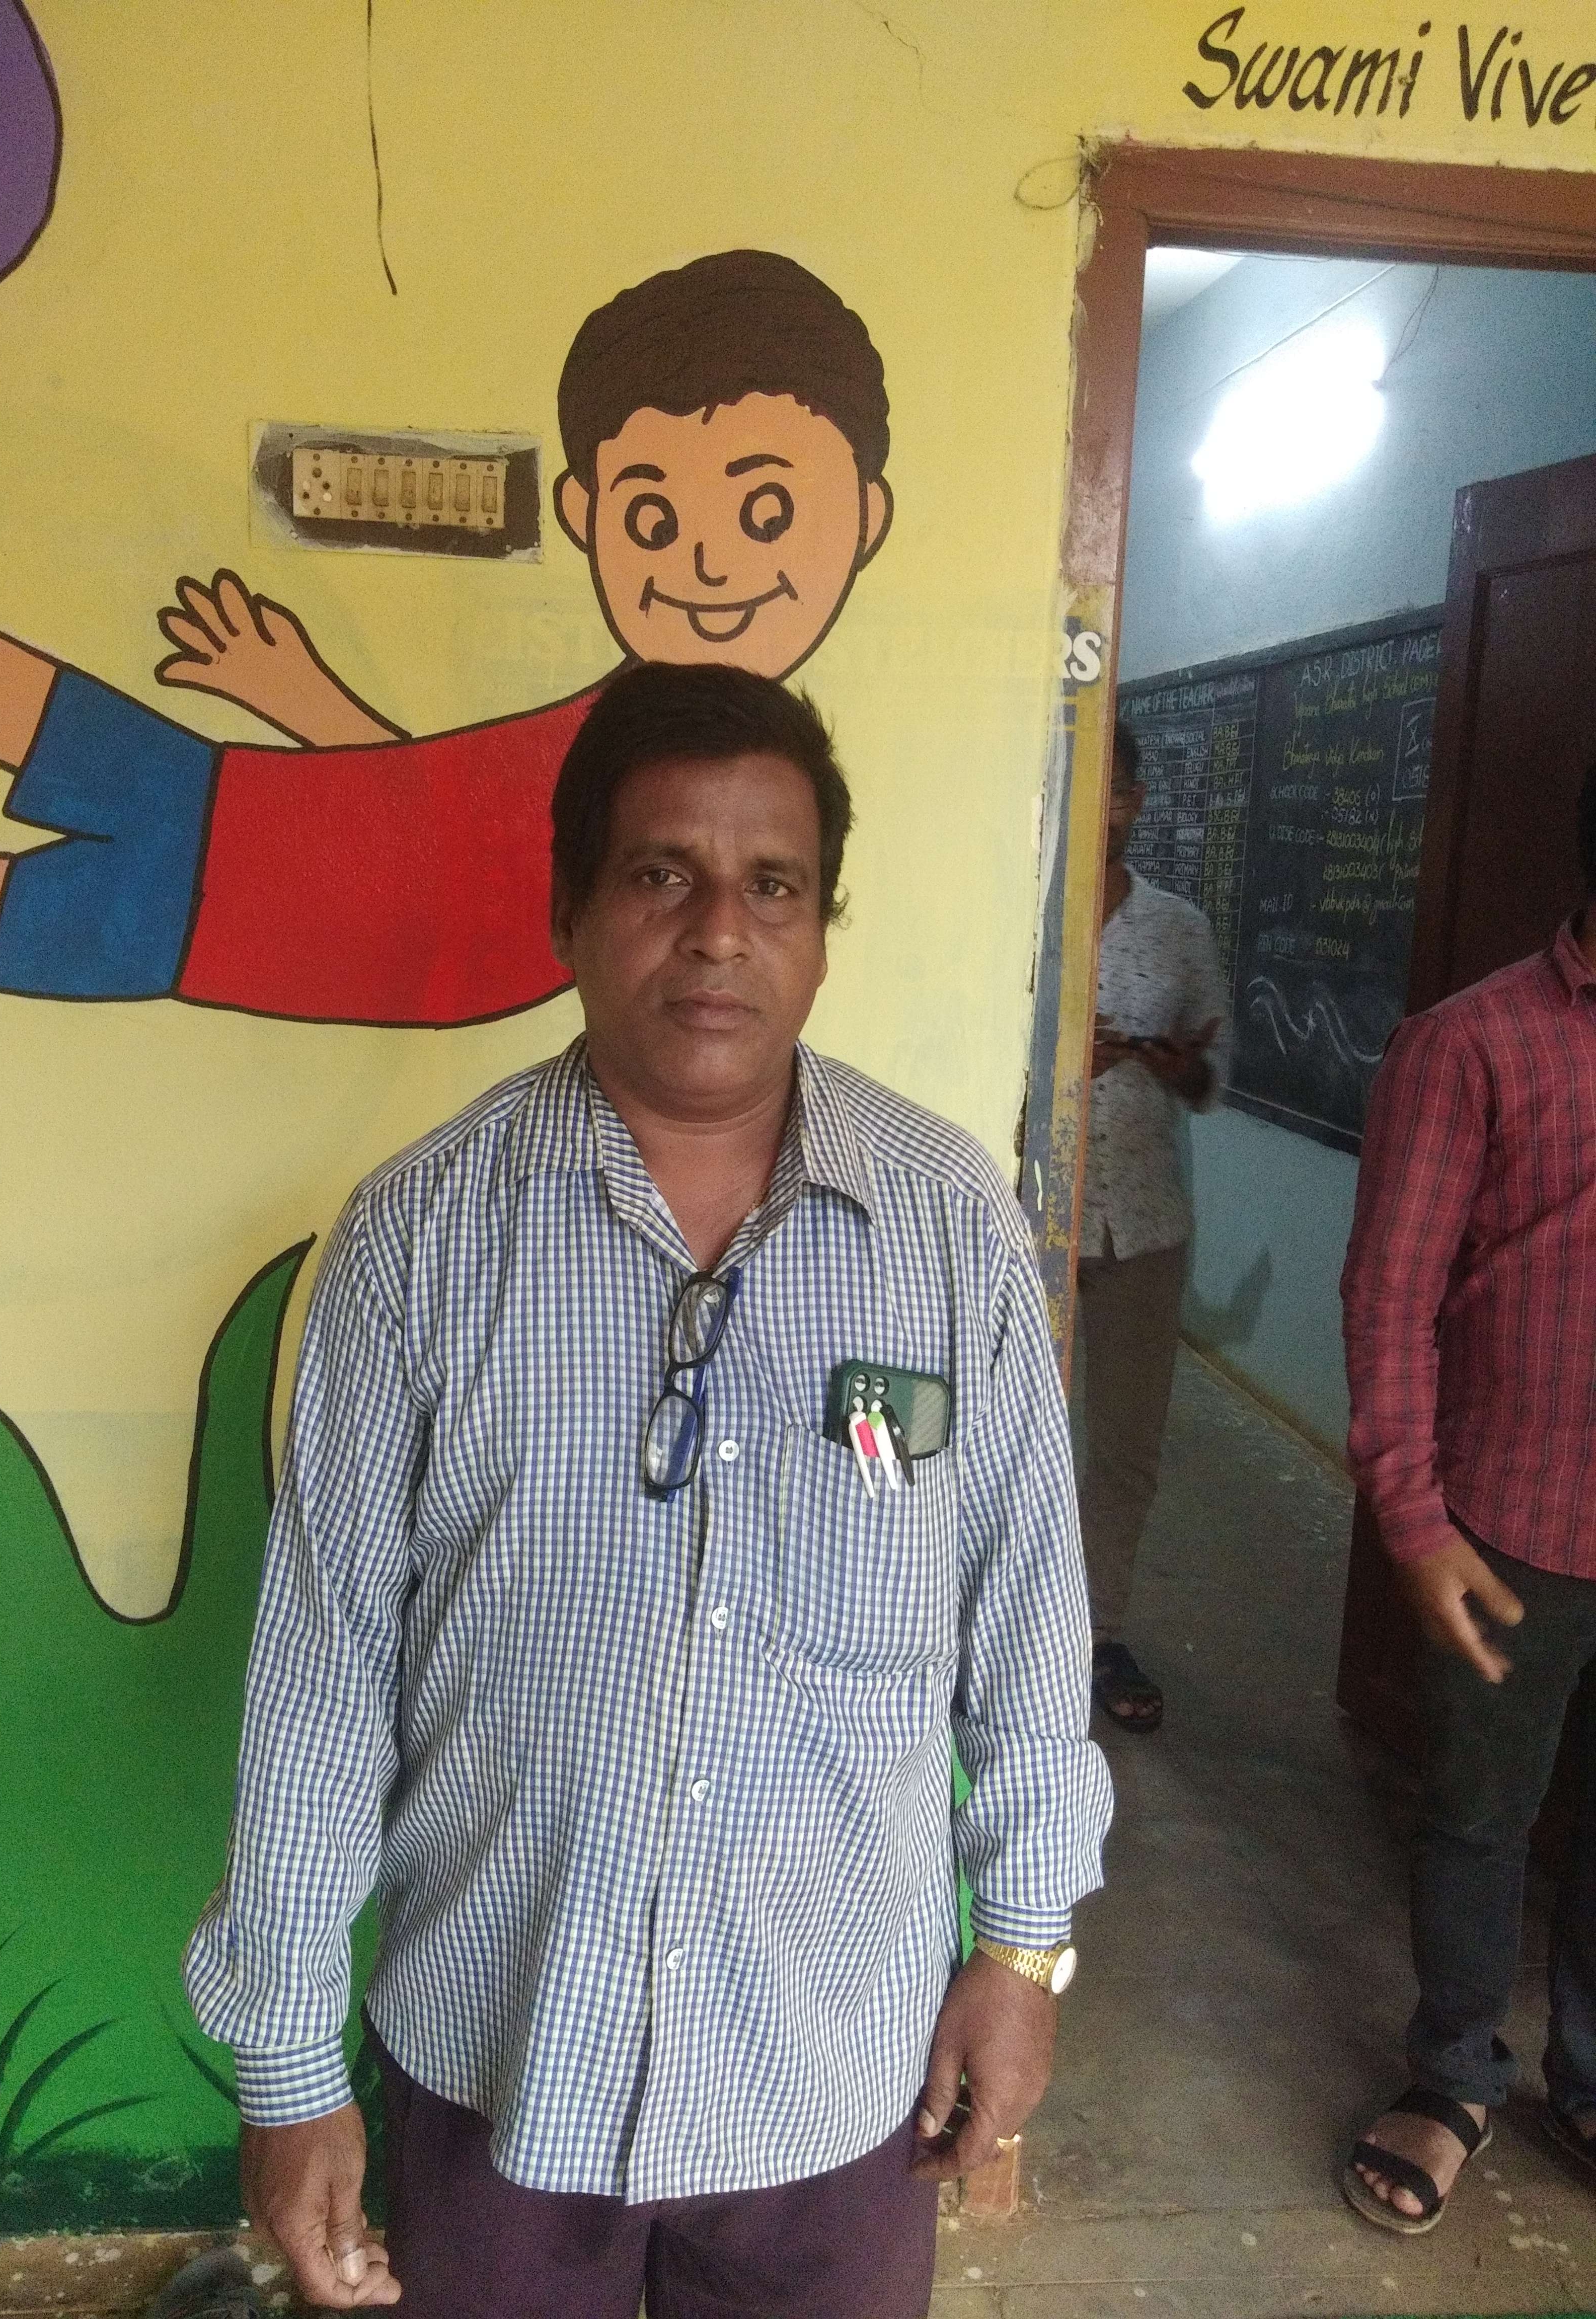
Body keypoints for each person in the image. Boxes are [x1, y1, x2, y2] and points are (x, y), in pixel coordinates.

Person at [182, 661, 1112, 2318]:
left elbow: (1028, 1613)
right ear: (568, 909)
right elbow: (322, 1677)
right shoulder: (420, 1237)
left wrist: (1022, 1945)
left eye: (774, 885)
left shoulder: (948, 1227)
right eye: (660, 874)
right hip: (503, 2052)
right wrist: (287, 2064)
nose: (719, 933)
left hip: (836, 2067)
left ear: (823, 925)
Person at [0, 250, 893, 1028]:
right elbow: (434, 808)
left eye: (766, 513)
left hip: (211, 933)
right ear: (585, 514)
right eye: (654, 519)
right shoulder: (611, 737)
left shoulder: (659, 767)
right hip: (235, 810)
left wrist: (298, 693)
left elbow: (441, 833)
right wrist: (296, 690)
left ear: (866, 517)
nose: (708, 565)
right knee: (3, 716)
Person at [1339, 767, 1596, 2235]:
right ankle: (1453, 2076)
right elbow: (1390, 1297)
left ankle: (1588, 2078)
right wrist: (1415, 1520)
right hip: (1515, 1525)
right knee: (1480, 1819)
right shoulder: (1472, 1045)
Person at [1076, 719, 1228, 1733]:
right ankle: (978, 1628)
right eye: (1088, 782)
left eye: (1119, 788)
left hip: (1143, 1221)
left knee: (1126, 1449)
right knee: (999, 1436)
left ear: (1135, 801)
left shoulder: (1179, 930)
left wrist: (1181, 1069)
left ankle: (1096, 1632)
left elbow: (1211, 1083)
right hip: (1025, 1214)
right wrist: (1058, 1063)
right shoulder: (1020, 906)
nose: (1105, 803)